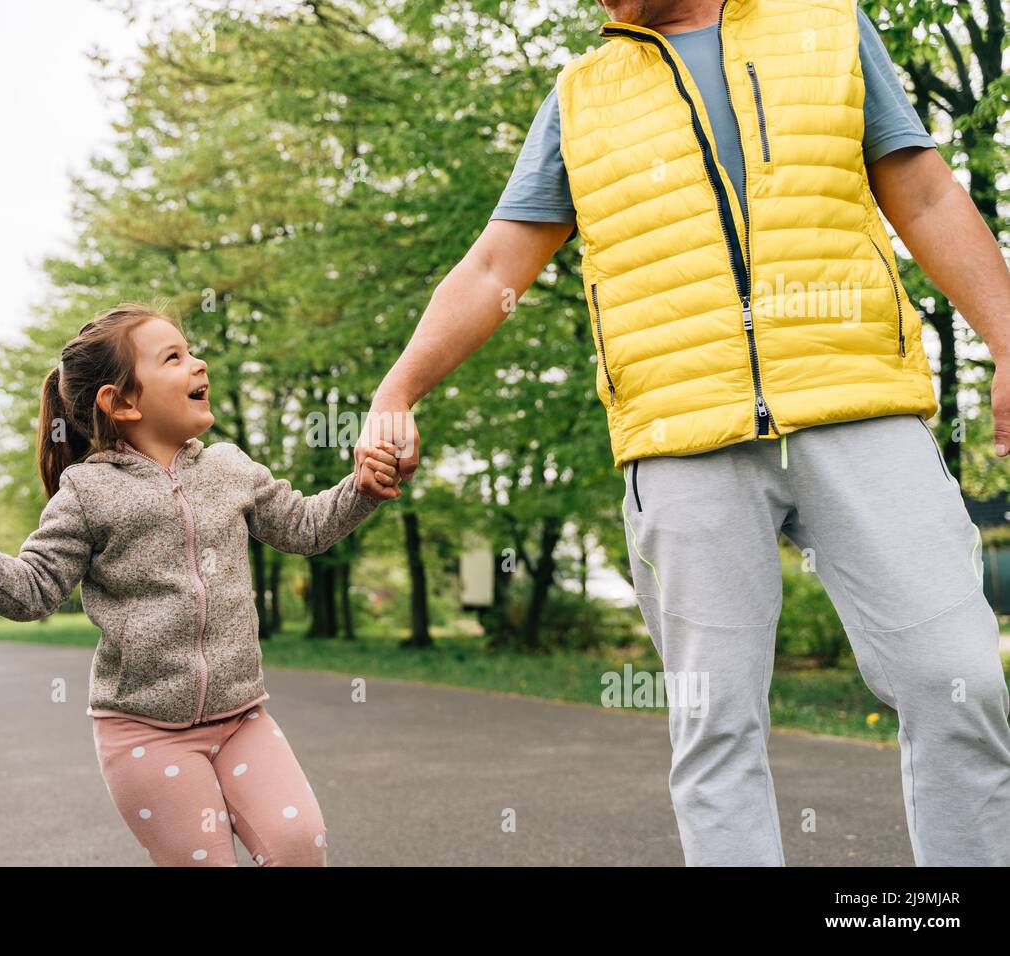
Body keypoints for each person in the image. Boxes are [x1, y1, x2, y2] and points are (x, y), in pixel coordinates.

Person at [354, 0, 1010, 866]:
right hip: (680, 442)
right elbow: (493, 264)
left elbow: (924, 193)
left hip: (859, 405)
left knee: (955, 679)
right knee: (715, 724)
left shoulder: (825, 25)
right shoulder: (581, 96)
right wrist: (400, 386)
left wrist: (1005, 338)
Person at [0, 304, 397, 866]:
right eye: (174, 357)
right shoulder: (87, 491)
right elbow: (35, 589)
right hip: (145, 735)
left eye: (190, 349)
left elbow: (303, 527)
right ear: (122, 402)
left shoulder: (230, 468)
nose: (198, 363)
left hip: (242, 718)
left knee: (298, 843)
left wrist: (363, 488)